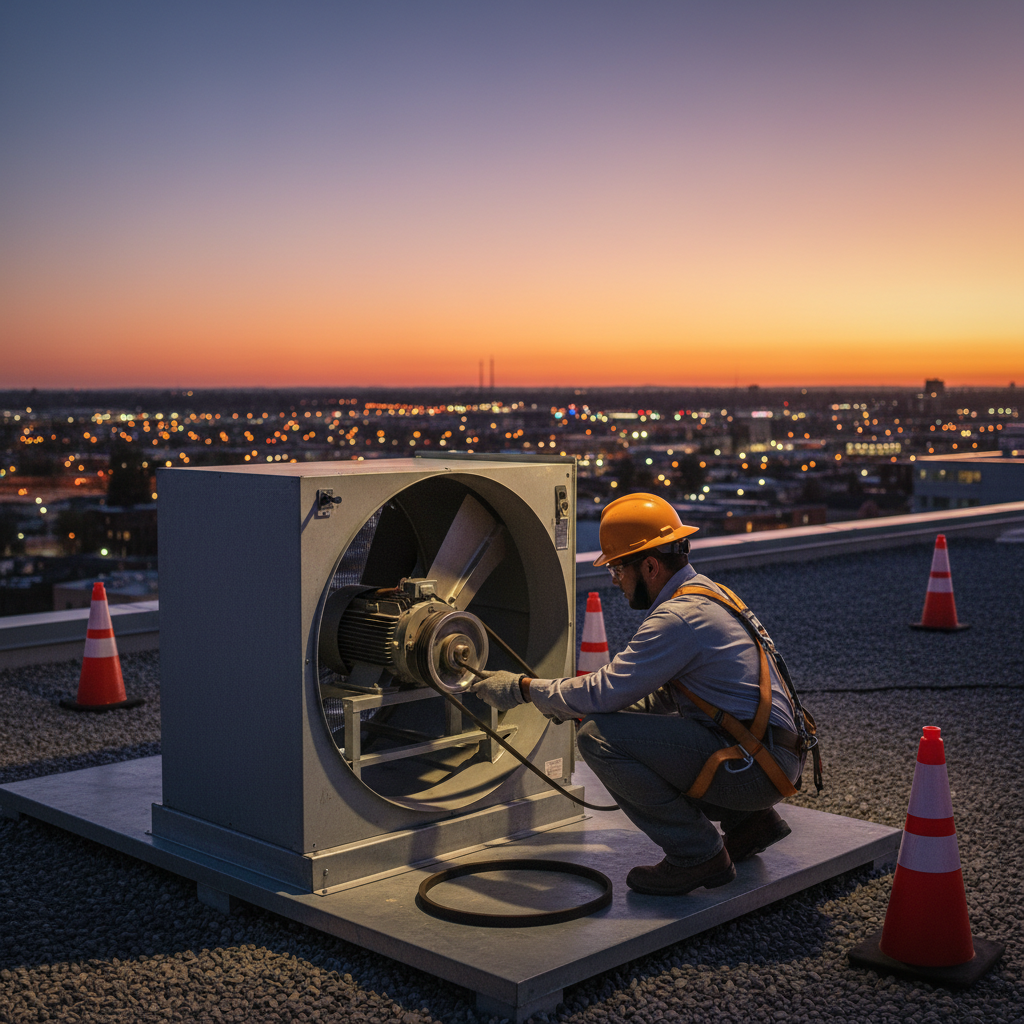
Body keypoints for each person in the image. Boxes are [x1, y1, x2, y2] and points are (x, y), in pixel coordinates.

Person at [470, 492, 808, 896]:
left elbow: (604, 688)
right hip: (771, 756)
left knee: (598, 738)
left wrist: (522, 690)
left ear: (649, 565)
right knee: (618, 726)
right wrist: (580, 705)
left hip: (754, 768)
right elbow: (661, 697)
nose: (616, 583)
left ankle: (698, 855)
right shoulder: (710, 595)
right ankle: (751, 824)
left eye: (617, 570)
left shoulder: (677, 619)